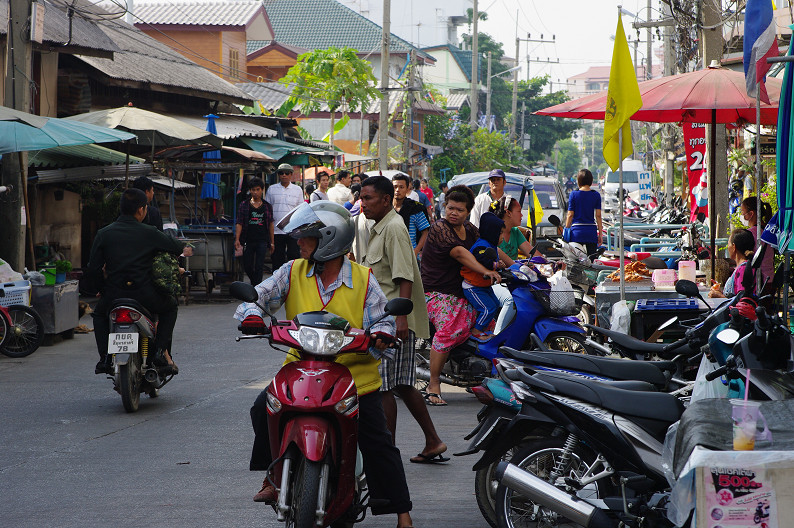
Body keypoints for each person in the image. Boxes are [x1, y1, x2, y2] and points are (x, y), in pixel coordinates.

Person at [233, 201, 414, 527]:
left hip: (355, 380)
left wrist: (383, 334)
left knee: (378, 444)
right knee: (262, 409)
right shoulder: (291, 271)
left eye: (307, 237)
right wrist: (251, 315)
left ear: (330, 239)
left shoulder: (363, 280)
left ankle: (403, 513)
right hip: (299, 371)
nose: (299, 242)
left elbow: (382, 317)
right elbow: (261, 295)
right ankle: (273, 478)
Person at [358, 176, 447, 464]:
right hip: (389, 317)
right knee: (403, 384)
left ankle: (387, 454)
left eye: (368, 198)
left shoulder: (394, 228)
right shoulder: (378, 226)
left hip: (391, 320)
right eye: (361, 197)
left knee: (384, 387)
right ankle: (433, 441)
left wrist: (399, 320)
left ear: (386, 199)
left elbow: (404, 277)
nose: (363, 203)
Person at [86, 188, 186, 375]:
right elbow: (176, 246)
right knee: (170, 307)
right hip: (145, 295)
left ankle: (105, 358)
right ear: (141, 210)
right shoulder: (149, 232)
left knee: (99, 315)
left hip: (114, 294)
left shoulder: (104, 233)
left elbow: (93, 269)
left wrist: (103, 289)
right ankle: (158, 353)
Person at [420, 185, 501, 406]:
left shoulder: (469, 229)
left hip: (464, 290)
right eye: (450, 208)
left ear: (468, 212)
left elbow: (487, 246)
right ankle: (433, 383)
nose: (453, 213)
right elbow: (459, 252)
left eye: (459, 210)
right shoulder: (439, 228)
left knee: (493, 321)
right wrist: (485, 270)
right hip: (437, 291)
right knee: (449, 330)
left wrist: (517, 265)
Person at [490, 195, 535, 333]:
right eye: (519, 211)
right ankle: (496, 338)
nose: (522, 215)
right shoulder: (494, 233)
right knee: (511, 300)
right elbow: (510, 263)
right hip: (493, 281)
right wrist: (520, 265)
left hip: (512, 279)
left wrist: (550, 263)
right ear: (508, 213)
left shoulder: (515, 232)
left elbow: (532, 253)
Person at [461, 212, 505, 340]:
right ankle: (475, 331)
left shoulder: (491, 245)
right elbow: (482, 259)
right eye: (500, 233)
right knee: (488, 308)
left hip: (483, 285)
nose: (502, 236)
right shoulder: (482, 246)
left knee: (496, 304)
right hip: (473, 286)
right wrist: (496, 265)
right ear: (492, 232)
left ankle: (483, 329)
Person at [235, 178, 274, 285]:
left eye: (258, 190)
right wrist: (237, 239)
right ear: (250, 190)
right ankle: (254, 282)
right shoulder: (244, 205)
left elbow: (271, 224)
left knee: (259, 265)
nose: (255, 192)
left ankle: (257, 288)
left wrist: (272, 242)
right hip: (248, 239)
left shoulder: (267, 206)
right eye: (253, 190)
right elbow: (239, 223)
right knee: (247, 265)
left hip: (262, 240)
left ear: (262, 190)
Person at [266, 163, 304, 270]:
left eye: (287, 173)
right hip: (276, 231)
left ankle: (293, 280)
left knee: (294, 256)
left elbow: (300, 210)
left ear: (291, 174)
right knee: (277, 259)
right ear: (278, 175)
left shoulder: (298, 190)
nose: (284, 175)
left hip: (292, 230)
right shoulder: (272, 189)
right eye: (281, 173)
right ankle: (277, 283)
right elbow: (267, 211)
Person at [564, 168, 603, 256]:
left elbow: (570, 215)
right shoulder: (596, 195)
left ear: (579, 180)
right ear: (591, 180)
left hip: (576, 232)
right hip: (591, 232)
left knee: (576, 260)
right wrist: (600, 234)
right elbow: (598, 216)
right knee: (591, 261)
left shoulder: (573, 194)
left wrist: (566, 230)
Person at [709, 229, 756, 298]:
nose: (728, 247)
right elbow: (735, 296)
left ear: (734, 247)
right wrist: (720, 291)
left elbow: (743, 300)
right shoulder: (741, 267)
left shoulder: (743, 270)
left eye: (728, 244)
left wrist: (720, 296)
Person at [740, 196, 775, 289]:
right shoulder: (769, 230)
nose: (742, 216)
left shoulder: (751, 233)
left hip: (759, 283)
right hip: (770, 281)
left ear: (751, 213)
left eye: (742, 213)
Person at [393, 174, 430, 257]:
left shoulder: (415, 208)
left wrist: (415, 251)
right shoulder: (386, 209)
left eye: (401, 187)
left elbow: (425, 232)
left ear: (407, 189)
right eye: (395, 187)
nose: (397, 190)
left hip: (409, 255)